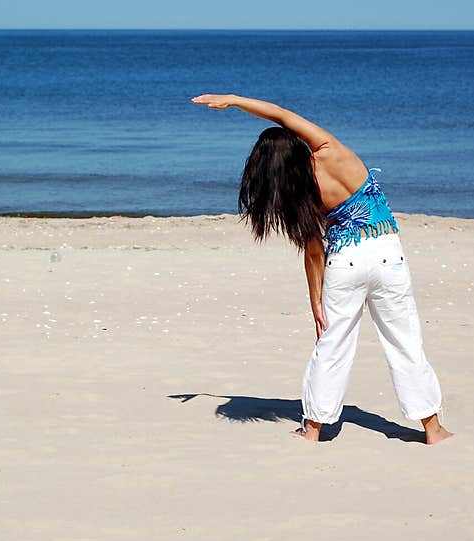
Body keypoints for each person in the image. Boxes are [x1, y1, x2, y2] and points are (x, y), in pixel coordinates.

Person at [191, 93, 453, 445]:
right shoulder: (330, 150)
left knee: (332, 346)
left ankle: (312, 429)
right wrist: (235, 101)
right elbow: (282, 114)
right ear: (297, 144)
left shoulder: (300, 193)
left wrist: (315, 300)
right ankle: (432, 429)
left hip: (344, 263)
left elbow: (313, 251)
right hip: (388, 255)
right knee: (405, 342)